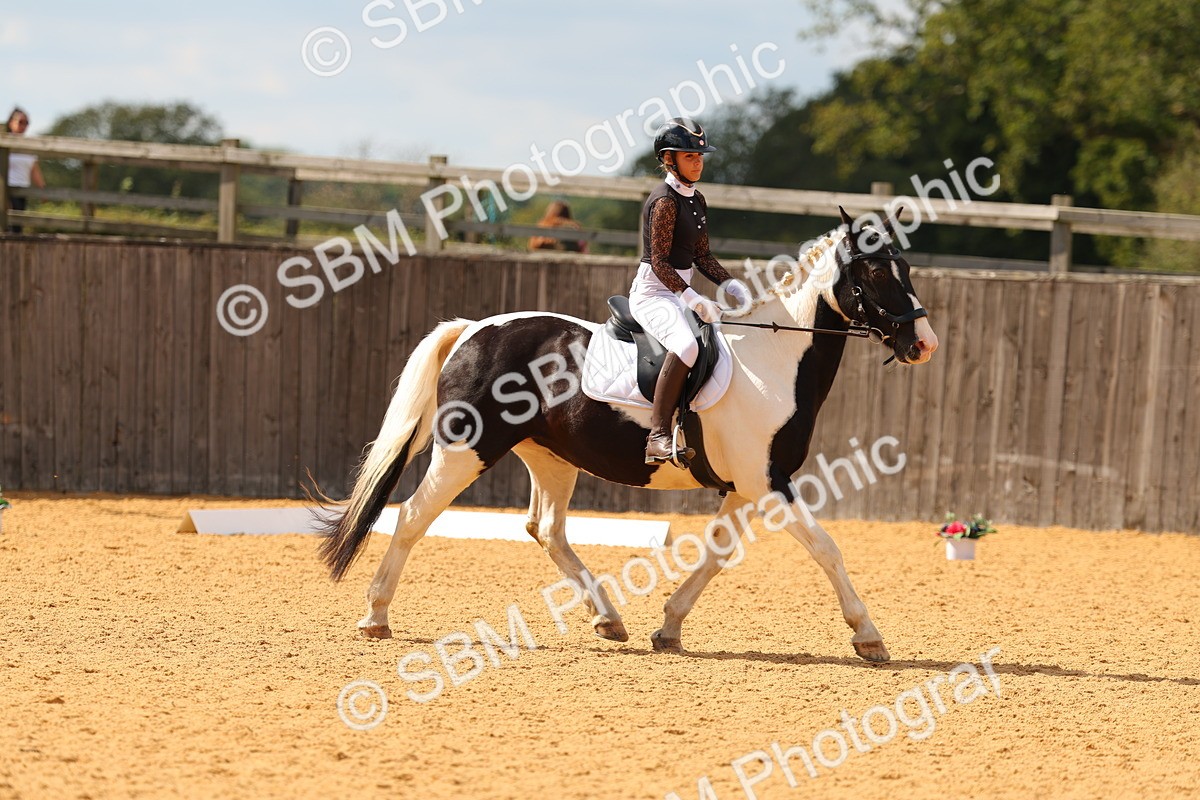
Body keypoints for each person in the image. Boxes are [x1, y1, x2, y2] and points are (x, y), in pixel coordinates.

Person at [630, 117, 751, 464]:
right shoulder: (665, 201)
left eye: (700, 156)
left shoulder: (696, 199)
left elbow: (701, 255)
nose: (698, 162)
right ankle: (658, 436)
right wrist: (693, 299)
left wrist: (730, 284)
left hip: (676, 291)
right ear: (669, 159)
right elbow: (659, 263)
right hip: (653, 294)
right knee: (685, 346)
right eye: (689, 156)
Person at [5, 107, 44, 234]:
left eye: (26, 123)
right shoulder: (4, 143)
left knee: (17, 227)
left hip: (22, 190)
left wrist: (42, 190)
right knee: (7, 224)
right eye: (20, 122)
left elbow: (34, 170)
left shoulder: (29, 146)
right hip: (6, 190)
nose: (23, 126)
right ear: (11, 123)